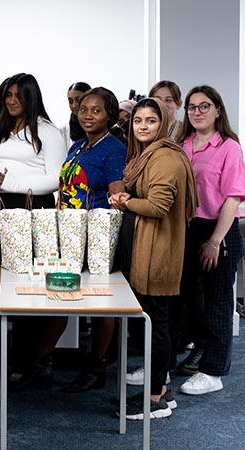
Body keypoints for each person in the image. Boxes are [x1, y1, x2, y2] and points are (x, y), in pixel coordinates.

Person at [108, 98, 198, 420]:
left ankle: (156, 398)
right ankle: (163, 391)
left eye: (151, 120)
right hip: (147, 248)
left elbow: (158, 206)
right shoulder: (145, 156)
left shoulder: (165, 158)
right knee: (155, 323)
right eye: (138, 121)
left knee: (156, 325)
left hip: (159, 251)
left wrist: (127, 201)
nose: (143, 126)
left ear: (163, 125)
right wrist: (123, 193)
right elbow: (134, 187)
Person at [0, 73, 66, 379]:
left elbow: (56, 177)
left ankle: (23, 362)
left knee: (24, 285)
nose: (11, 101)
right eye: (7, 95)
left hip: (30, 208)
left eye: (17, 95)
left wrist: (15, 183)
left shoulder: (49, 132)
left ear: (31, 97)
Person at [55, 87, 126, 392]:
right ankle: (44, 362)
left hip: (97, 234)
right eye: (84, 109)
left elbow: (117, 196)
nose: (87, 115)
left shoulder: (113, 148)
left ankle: (97, 366)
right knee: (62, 294)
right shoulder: (78, 146)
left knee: (99, 300)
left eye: (96, 110)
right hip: (70, 233)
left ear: (109, 115)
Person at [176, 86, 245, 396]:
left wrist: (215, 241)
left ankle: (213, 372)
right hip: (186, 230)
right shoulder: (182, 145)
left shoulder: (229, 147)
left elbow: (233, 197)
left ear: (218, 110)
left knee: (217, 303)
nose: (197, 112)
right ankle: (164, 364)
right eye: (192, 107)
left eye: (205, 106)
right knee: (186, 302)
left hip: (219, 229)